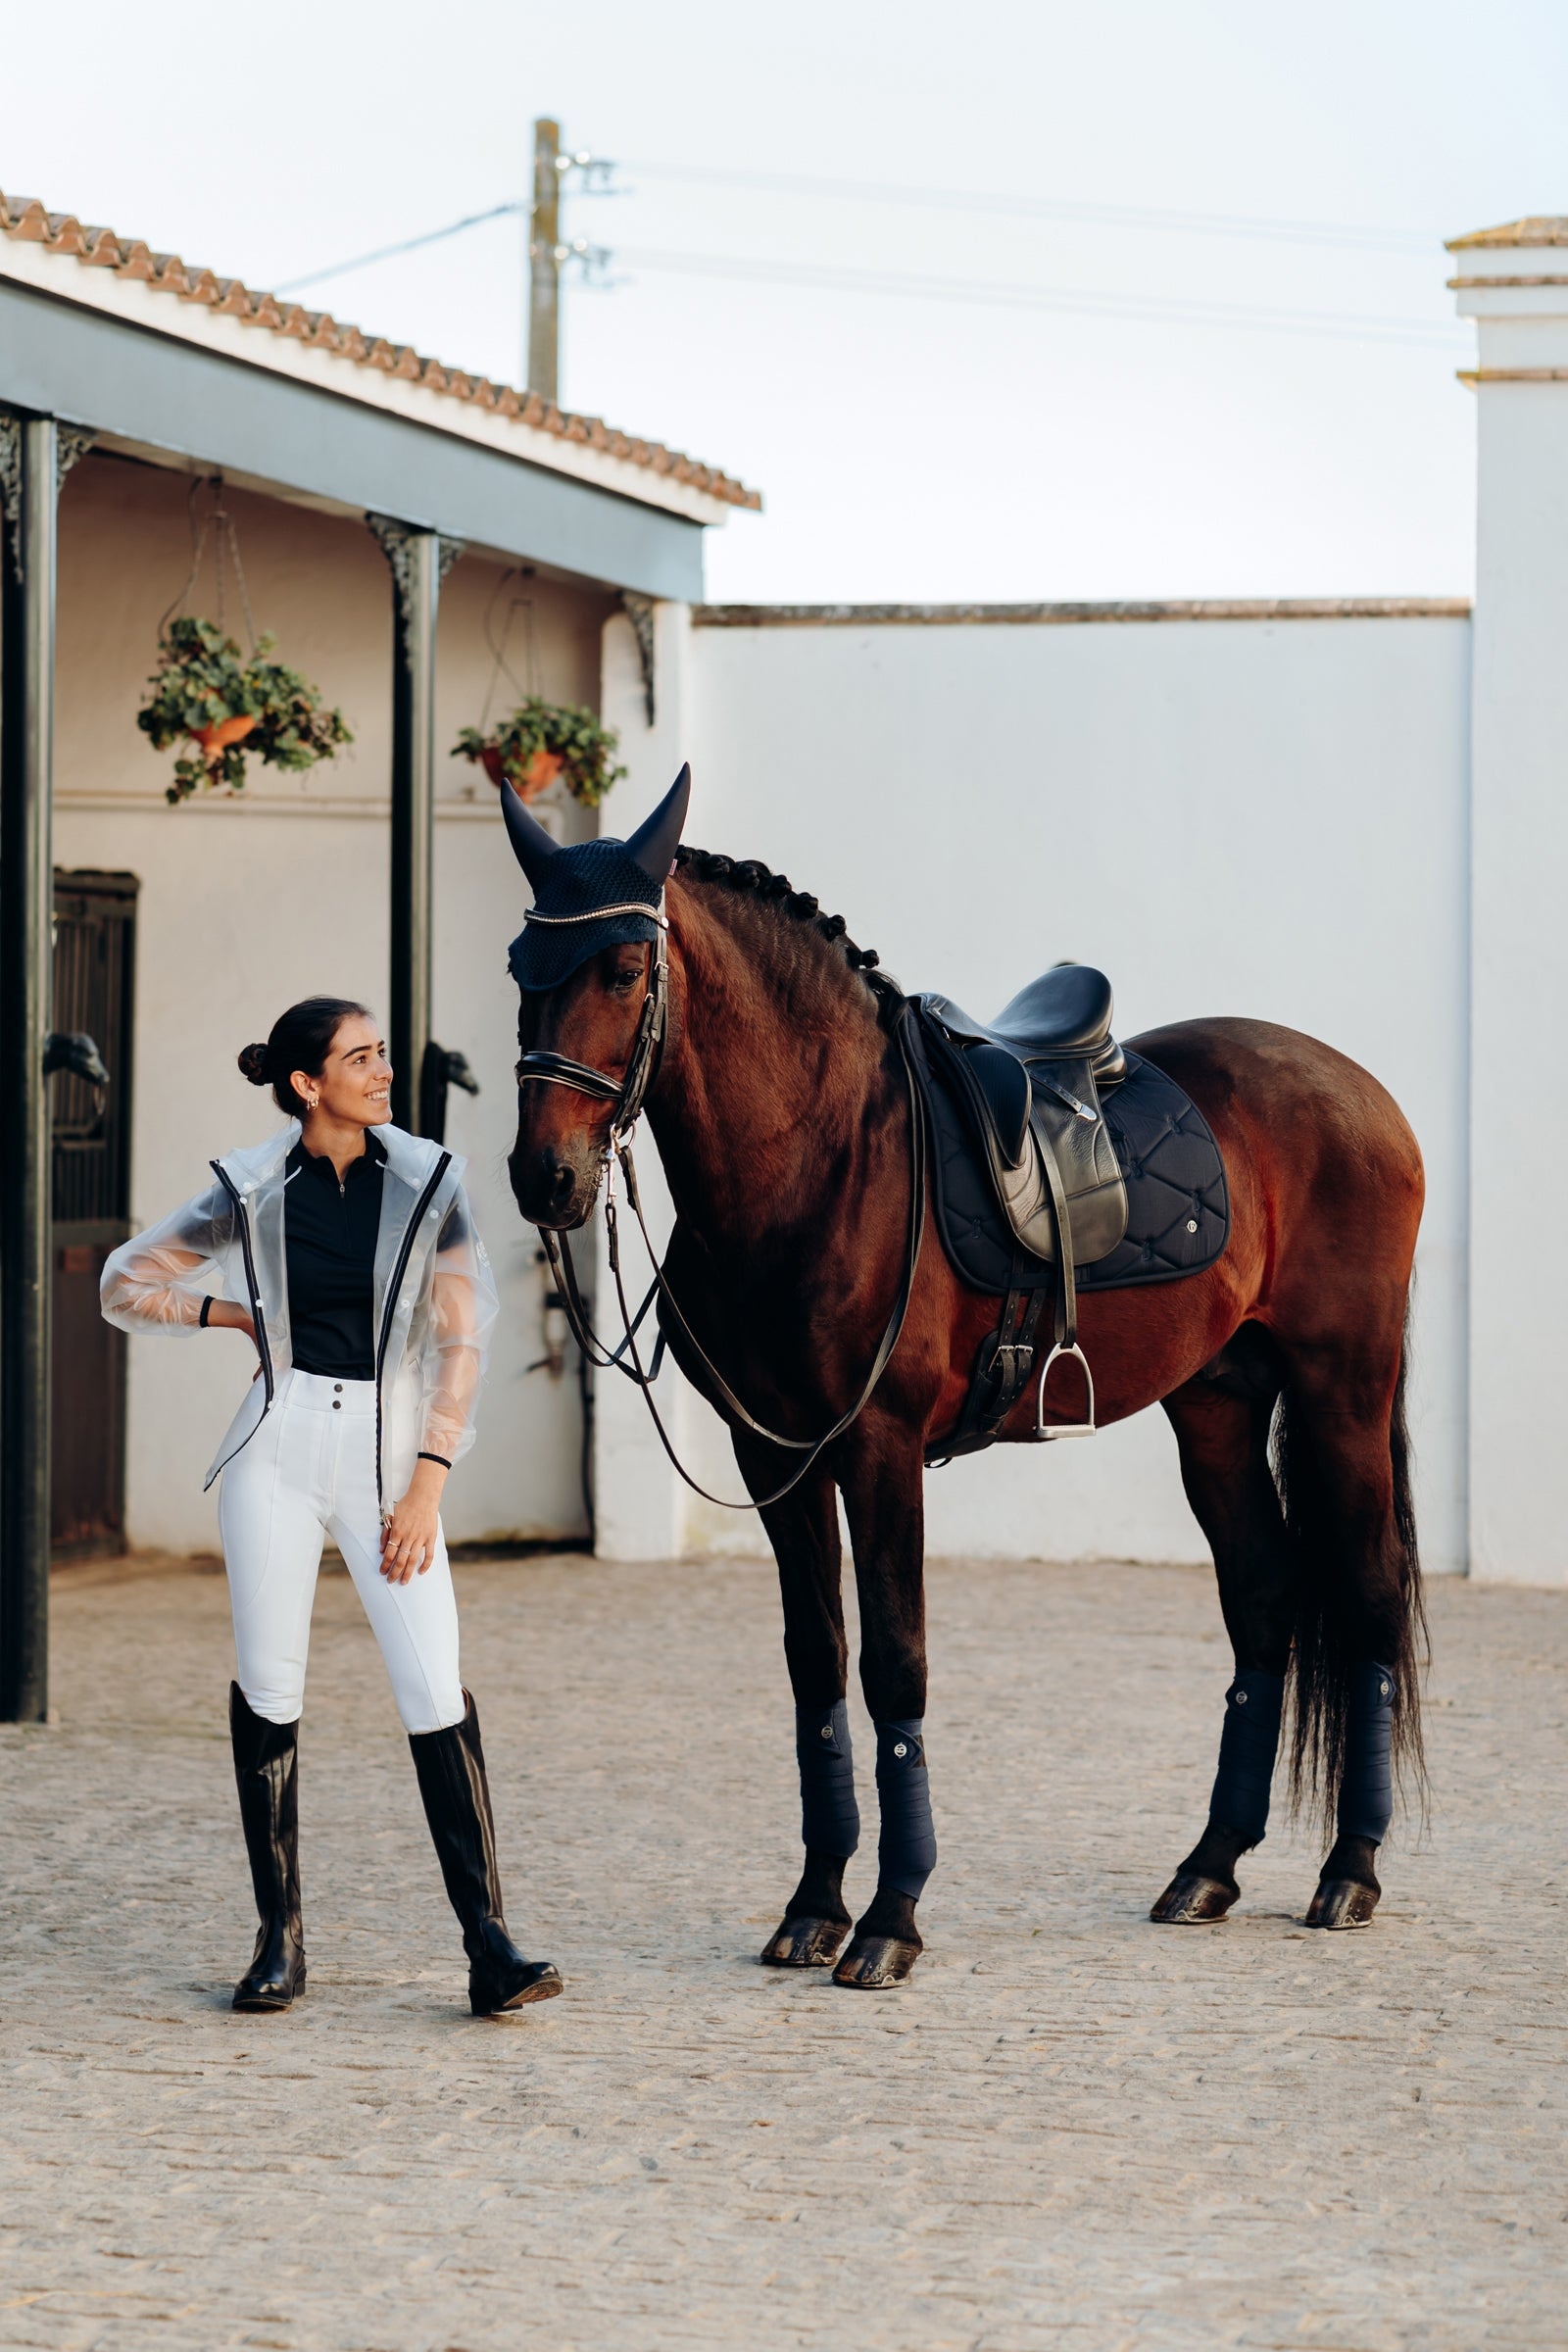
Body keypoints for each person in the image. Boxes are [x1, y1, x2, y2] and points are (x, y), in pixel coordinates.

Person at [99, 997, 562, 2019]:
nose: (382, 1070)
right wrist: (231, 1314)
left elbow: (462, 1342)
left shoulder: (429, 1179)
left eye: (381, 1053)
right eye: (360, 1058)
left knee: (433, 1682)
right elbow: (125, 1282)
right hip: (277, 1445)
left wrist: (428, 1483)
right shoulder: (252, 1186)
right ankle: (280, 1939)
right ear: (308, 1084)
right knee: (270, 1681)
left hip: (391, 1455)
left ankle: (488, 1942)